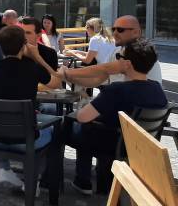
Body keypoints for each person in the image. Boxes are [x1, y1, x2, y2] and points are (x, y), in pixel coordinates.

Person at [61, 39, 167, 195]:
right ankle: (91, 182)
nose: (116, 61)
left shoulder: (117, 90)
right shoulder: (158, 90)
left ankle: (68, 181)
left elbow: (82, 117)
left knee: (66, 126)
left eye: (119, 57)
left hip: (113, 143)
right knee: (89, 128)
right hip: (138, 146)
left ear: (127, 64)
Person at [0, 26, 62, 188]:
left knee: (4, 120)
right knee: (54, 130)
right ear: (24, 46)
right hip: (25, 139)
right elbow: (56, 82)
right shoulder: (32, 69)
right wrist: (37, 57)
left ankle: (4, 168)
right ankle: (35, 180)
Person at [60, 15, 162, 87]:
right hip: (125, 103)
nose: (115, 33)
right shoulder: (117, 51)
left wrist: (68, 73)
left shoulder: (142, 53)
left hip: (135, 107)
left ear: (136, 32)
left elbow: (103, 69)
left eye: (120, 30)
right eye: (114, 29)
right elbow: (97, 80)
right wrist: (69, 77)